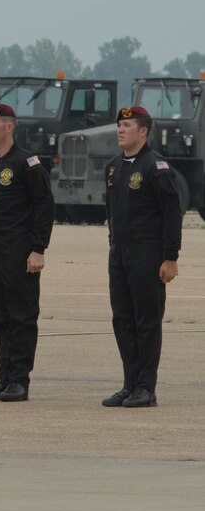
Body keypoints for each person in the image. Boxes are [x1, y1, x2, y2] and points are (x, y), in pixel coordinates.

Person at [102, 105, 182, 408]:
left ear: (143, 131)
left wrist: (170, 257)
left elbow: (172, 214)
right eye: (119, 125)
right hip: (119, 254)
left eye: (127, 125)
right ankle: (130, 383)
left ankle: (146, 387)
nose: (120, 130)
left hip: (147, 254)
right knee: (122, 319)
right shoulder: (113, 166)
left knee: (146, 321)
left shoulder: (156, 166)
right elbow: (111, 211)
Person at [0, 103, 54, 402]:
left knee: (20, 315)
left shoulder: (27, 163)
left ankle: (19, 379)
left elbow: (45, 205)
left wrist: (38, 248)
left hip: (19, 251)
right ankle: (5, 377)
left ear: (9, 127)